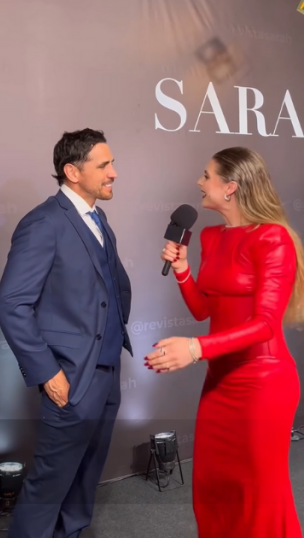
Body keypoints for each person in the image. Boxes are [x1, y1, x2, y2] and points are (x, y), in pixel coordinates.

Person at [150, 147, 303, 538]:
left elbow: (265, 325)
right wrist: (182, 270)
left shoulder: (273, 238)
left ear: (230, 187)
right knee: (213, 486)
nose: (199, 182)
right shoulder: (210, 235)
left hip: (263, 383)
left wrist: (195, 349)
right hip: (220, 382)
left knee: (258, 493)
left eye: (207, 175)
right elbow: (204, 309)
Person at [0, 129, 131, 538]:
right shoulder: (43, 223)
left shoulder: (98, 218)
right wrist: (48, 372)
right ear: (73, 172)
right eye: (103, 166)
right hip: (71, 377)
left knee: (85, 478)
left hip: (106, 372)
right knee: (50, 484)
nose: (114, 173)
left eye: (112, 163)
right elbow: (10, 303)